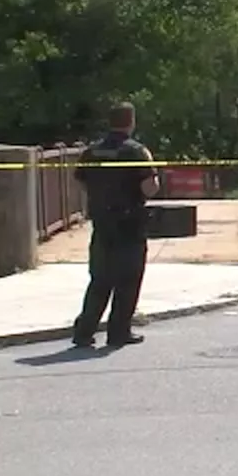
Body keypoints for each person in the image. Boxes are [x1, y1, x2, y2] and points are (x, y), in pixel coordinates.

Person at [72, 102, 160, 348]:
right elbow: (149, 189)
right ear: (131, 122)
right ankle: (119, 332)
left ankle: (84, 332)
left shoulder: (91, 151)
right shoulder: (137, 152)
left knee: (99, 280)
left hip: (102, 224)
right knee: (128, 281)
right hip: (129, 225)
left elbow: (81, 181)